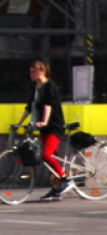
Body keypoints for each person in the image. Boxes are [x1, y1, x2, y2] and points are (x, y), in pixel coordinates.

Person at [16, 60, 71, 200]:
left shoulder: (49, 86)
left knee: (47, 155)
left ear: (41, 71)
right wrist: (19, 123)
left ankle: (64, 179)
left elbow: (48, 105)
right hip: (44, 128)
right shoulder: (36, 88)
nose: (31, 74)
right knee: (50, 159)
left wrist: (44, 121)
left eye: (33, 71)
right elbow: (29, 106)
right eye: (30, 72)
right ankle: (56, 187)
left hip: (54, 126)